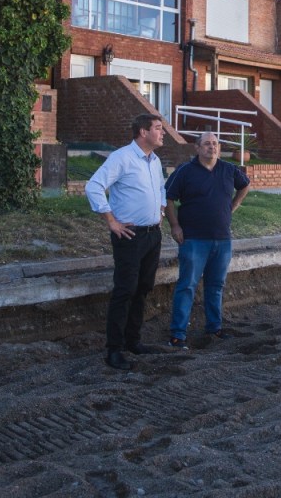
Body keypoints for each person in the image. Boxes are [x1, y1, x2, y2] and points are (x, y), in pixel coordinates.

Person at [85, 113, 167, 370]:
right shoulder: (121, 157)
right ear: (143, 132)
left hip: (153, 235)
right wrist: (111, 221)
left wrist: (161, 210)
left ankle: (133, 341)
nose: (163, 133)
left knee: (143, 288)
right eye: (158, 128)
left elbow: (161, 188)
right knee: (125, 290)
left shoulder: (155, 160)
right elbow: (94, 186)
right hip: (129, 236)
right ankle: (114, 350)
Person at [164, 132, 251, 351]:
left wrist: (232, 207)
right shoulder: (185, 171)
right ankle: (177, 335)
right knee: (187, 286)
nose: (211, 147)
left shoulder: (229, 169)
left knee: (216, 285)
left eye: (215, 144)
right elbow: (169, 198)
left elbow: (245, 185)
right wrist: (174, 226)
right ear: (197, 148)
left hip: (222, 239)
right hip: (193, 239)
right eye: (206, 144)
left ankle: (214, 328)